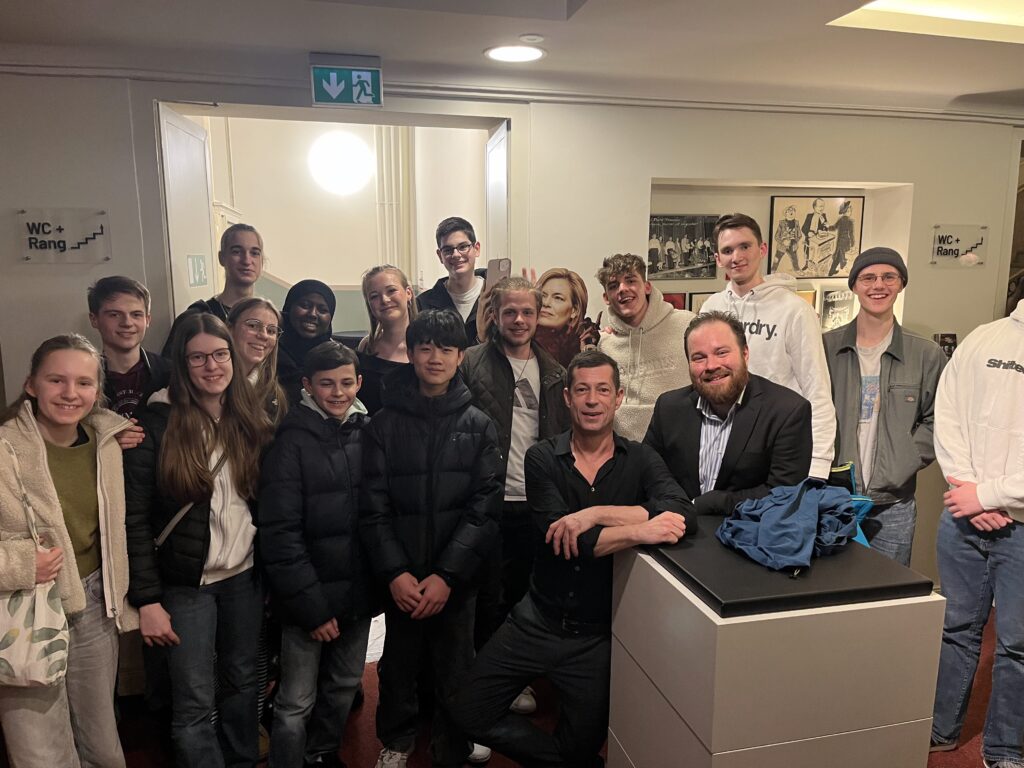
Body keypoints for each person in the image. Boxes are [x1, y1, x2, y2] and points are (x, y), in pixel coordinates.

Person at [450, 350, 693, 768]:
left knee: (581, 748)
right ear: (567, 397)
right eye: (582, 390)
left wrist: (595, 514)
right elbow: (563, 540)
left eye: (602, 390)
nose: (592, 400)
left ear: (618, 398)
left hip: (598, 638)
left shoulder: (641, 459)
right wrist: (639, 529)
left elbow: (682, 510)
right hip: (536, 620)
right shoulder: (542, 457)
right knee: (467, 712)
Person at [124, 313, 274, 767]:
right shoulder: (156, 424)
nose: (212, 366)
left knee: (242, 683)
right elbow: (135, 520)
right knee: (193, 700)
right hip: (186, 585)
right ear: (182, 364)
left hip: (244, 576)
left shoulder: (250, 417)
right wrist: (148, 600)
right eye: (198, 358)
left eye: (220, 354)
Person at [359, 309, 502, 768]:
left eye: (446, 348)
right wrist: (395, 573)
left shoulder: (479, 425)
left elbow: (484, 509)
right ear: (411, 353)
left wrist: (447, 576)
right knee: (398, 665)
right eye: (425, 348)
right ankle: (397, 740)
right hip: (401, 577)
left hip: (455, 580)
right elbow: (373, 507)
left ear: (460, 356)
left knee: (456, 665)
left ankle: (454, 742)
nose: (435, 357)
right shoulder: (383, 424)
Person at [0, 334, 137, 768]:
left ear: (97, 391)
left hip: (93, 603)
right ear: (31, 384)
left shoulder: (107, 443)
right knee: (40, 750)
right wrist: (22, 564)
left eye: (84, 382)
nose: (70, 393)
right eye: (56, 380)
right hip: (24, 609)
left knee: (101, 740)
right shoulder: (4, 449)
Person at [260, 341, 374, 768]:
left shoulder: (368, 432)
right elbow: (280, 533)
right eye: (327, 384)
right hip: (307, 599)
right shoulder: (290, 443)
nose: (338, 392)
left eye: (346, 383)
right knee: (296, 700)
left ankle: (321, 753)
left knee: (344, 683)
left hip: (357, 594)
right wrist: (312, 608)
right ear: (307, 385)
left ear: (359, 382)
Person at [929, 297, 1024, 767]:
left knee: (1017, 645)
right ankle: (941, 728)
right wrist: (965, 486)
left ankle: (1005, 749)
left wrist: (987, 494)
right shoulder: (985, 338)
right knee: (955, 629)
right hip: (962, 516)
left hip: (1019, 524)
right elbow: (948, 415)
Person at [460, 277, 569, 654]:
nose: (519, 320)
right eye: (510, 312)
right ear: (494, 314)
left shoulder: (554, 372)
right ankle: (484, 669)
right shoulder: (470, 363)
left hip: (533, 502)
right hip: (487, 501)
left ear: (538, 316)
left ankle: (516, 667)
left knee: (526, 594)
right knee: (485, 596)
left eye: (526, 312)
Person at [824, 248, 945, 565]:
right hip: (834, 499)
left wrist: (906, 457)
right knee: (828, 586)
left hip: (894, 505)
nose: (879, 285)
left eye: (889, 276)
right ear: (854, 285)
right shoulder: (825, 347)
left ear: (901, 283)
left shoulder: (926, 354)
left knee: (888, 590)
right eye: (868, 278)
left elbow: (940, 419)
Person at [701, 213, 836, 479]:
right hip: (721, 449)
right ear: (718, 259)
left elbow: (817, 389)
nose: (736, 257)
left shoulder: (795, 310)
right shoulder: (711, 307)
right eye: (727, 250)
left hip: (777, 444)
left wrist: (818, 466)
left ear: (762, 249)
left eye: (745, 246)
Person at [646, 312, 812, 515]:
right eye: (699, 357)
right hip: (675, 527)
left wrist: (708, 504)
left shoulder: (787, 411)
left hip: (748, 530)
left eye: (722, 353)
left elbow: (783, 495)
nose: (711, 365)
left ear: (745, 354)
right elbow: (648, 472)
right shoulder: (669, 407)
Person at [596, 252, 694, 442]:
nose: (622, 289)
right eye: (613, 286)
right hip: (624, 450)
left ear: (647, 286)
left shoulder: (687, 325)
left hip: (681, 444)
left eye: (631, 281)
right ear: (606, 297)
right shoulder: (603, 344)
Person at [162, 223, 264, 356]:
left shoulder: (268, 322)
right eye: (236, 252)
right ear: (222, 258)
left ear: (261, 260)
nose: (246, 260)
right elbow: (171, 366)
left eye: (254, 253)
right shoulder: (195, 318)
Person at [88, 275, 170, 419]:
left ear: (147, 320)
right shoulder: (82, 378)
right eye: (114, 315)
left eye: (136, 315)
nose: (127, 323)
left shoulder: (171, 374)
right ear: (94, 319)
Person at [357, 264, 418, 416]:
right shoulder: (366, 346)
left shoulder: (426, 346)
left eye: (391, 290)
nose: (384, 300)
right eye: (374, 296)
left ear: (408, 293)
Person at [417, 217, 487, 344]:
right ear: (440, 256)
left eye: (463, 247)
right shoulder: (423, 305)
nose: (456, 255)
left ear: (476, 249)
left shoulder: (494, 296)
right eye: (448, 250)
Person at [228, 297, 288, 427]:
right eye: (253, 325)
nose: (264, 335)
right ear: (230, 328)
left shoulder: (275, 397)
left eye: (271, 331)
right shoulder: (210, 381)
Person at [277, 279, 336, 407]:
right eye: (305, 305)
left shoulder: (336, 358)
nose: (313, 314)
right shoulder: (267, 349)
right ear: (289, 308)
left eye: (322, 310)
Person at [533, 268, 600, 369]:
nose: (546, 303)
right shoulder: (520, 341)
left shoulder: (589, 344)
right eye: (542, 296)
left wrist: (586, 358)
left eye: (558, 298)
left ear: (574, 310)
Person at [828, 200, 856, 277]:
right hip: (845, 242)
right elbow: (851, 234)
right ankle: (833, 271)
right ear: (845, 212)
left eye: (850, 211)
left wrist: (827, 227)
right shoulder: (850, 222)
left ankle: (831, 271)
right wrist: (852, 244)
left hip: (840, 242)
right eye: (849, 211)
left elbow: (834, 228)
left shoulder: (840, 220)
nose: (850, 212)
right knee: (841, 258)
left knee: (838, 257)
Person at [773, 205, 804, 273]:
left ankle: (797, 270)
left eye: (793, 210)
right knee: (777, 258)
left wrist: (795, 241)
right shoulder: (782, 223)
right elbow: (776, 236)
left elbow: (799, 235)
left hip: (792, 245)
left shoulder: (796, 223)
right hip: (782, 245)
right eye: (789, 211)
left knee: (795, 259)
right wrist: (783, 241)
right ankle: (773, 270)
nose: (791, 212)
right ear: (785, 213)